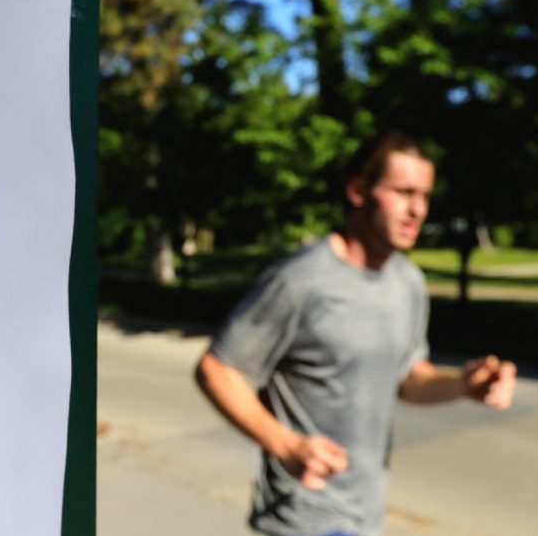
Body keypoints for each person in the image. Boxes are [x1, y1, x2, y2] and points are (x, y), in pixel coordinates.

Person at [194, 131, 517, 536]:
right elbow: (218, 369)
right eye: (403, 192)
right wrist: (285, 445)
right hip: (302, 517)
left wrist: (464, 385)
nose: (417, 210)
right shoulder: (302, 280)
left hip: (365, 517)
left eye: (425, 196)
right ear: (358, 190)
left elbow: (409, 377)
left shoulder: (408, 281)